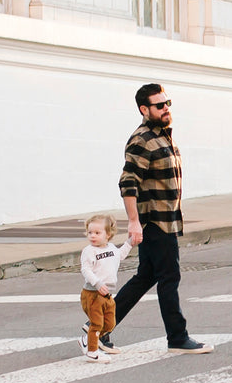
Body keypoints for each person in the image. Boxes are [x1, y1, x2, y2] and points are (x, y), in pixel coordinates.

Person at [108, 82, 212, 355]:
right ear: (144, 109)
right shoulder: (141, 139)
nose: (166, 108)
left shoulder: (163, 136)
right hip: (154, 221)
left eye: (167, 103)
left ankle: (98, 328)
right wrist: (133, 222)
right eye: (159, 105)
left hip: (166, 219)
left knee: (146, 276)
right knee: (169, 277)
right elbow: (128, 183)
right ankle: (177, 337)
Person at [77, 214, 131, 363]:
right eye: (90, 233)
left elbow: (120, 255)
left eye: (97, 233)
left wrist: (130, 242)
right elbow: (85, 270)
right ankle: (92, 352)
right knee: (96, 324)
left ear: (108, 234)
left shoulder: (112, 248)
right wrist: (97, 283)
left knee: (109, 324)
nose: (92, 236)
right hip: (92, 293)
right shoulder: (89, 251)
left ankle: (87, 341)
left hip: (107, 294)